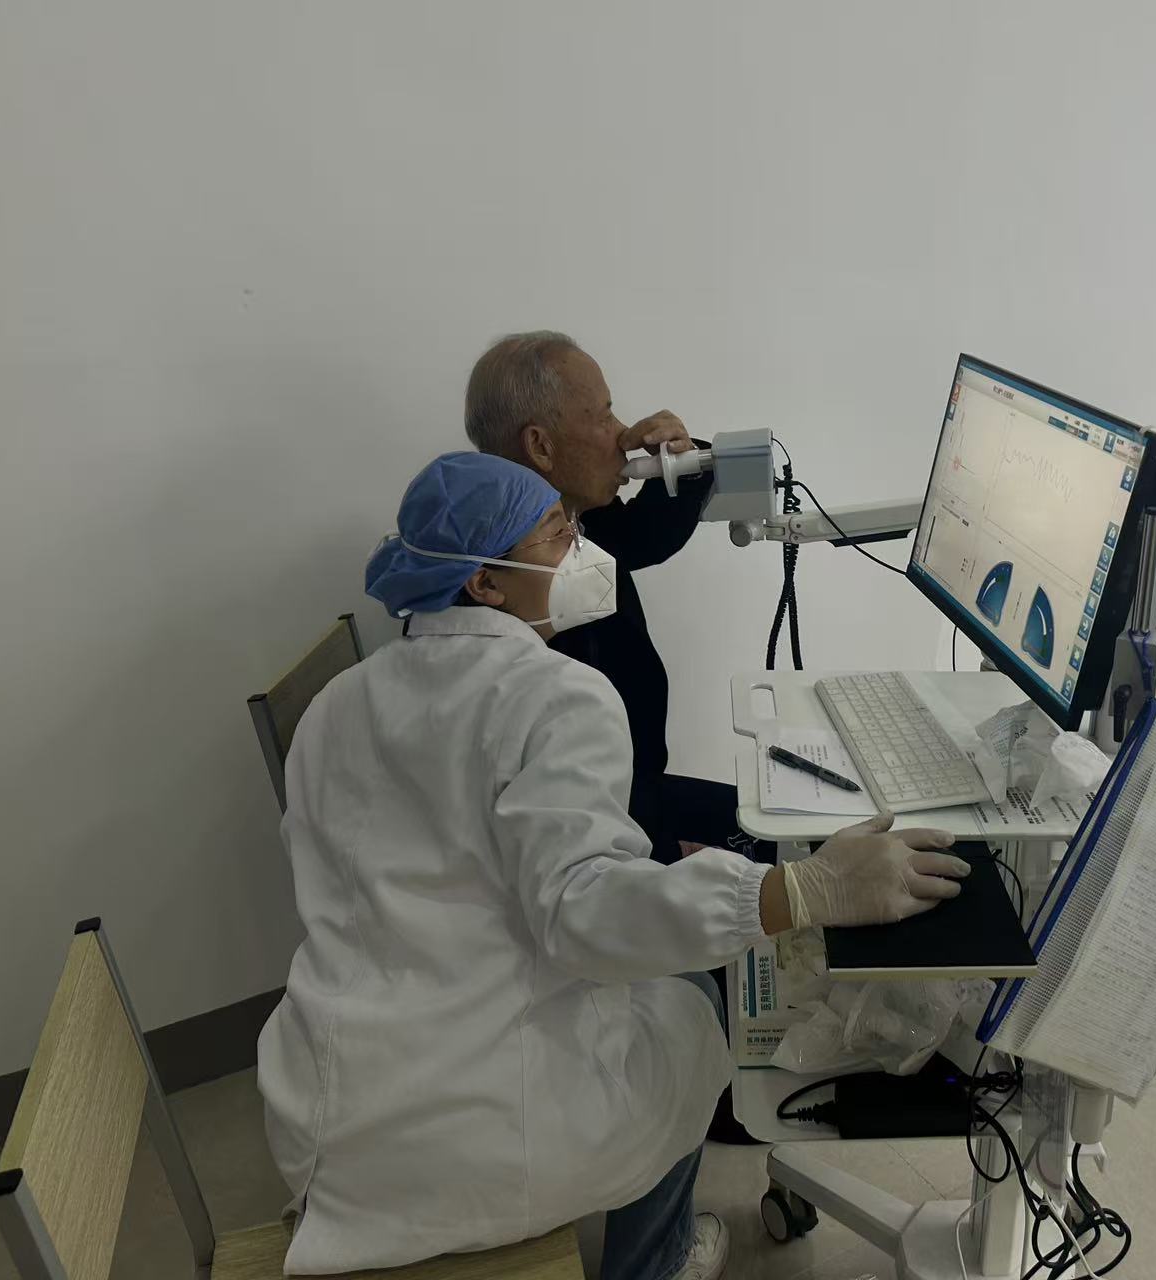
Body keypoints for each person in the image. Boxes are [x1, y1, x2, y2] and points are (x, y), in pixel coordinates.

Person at [256, 451, 968, 1280]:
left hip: (326, 1108)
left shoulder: (339, 702)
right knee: (690, 1011)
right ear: (486, 584)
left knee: (655, 986)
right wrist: (801, 890)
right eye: (556, 533)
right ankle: (655, 1263)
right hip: (477, 1132)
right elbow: (585, 920)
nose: (581, 546)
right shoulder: (554, 694)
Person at [464, 332, 754, 867]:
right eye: (603, 416)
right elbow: (561, 819)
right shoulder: (510, 577)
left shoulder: (575, 521)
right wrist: (663, 856)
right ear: (540, 447)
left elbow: (644, 537)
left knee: (789, 830)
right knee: (793, 852)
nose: (622, 435)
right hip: (599, 825)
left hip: (637, 791)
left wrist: (685, 460)